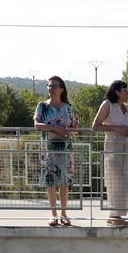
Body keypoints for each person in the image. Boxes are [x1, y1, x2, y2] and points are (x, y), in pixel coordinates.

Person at [33, 76, 78, 226]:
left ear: (61, 89)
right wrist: (53, 128)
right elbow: (37, 124)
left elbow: (75, 129)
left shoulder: (68, 108)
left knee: (64, 181)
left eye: (54, 86)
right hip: (48, 149)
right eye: (49, 86)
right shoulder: (42, 106)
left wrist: (64, 130)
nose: (50, 89)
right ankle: (53, 214)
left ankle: (64, 214)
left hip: (65, 149)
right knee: (50, 181)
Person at [92, 80, 128, 227]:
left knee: (125, 179)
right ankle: (113, 214)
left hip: (126, 146)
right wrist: (116, 128)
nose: (127, 92)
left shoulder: (126, 108)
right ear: (117, 91)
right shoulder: (107, 105)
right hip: (113, 147)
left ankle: (118, 213)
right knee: (115, 179)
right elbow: (96, 126)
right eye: (125, 89)